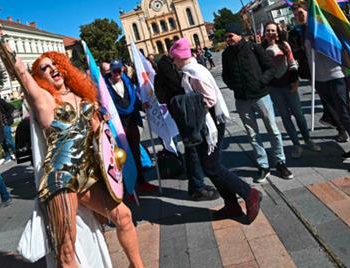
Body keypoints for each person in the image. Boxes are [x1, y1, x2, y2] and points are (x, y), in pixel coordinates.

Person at [0, 16, 158, 268]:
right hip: (60, 180)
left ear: (64, 67)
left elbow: (101, 139)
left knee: (123, 216)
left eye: (55, 64)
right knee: (66, 250)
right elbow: (18, 70)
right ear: (40, 77)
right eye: (44, 68)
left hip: (87, 177)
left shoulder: (84, 97)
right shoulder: (42, 99)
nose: (52, 70)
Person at [170, 38, 262, 223]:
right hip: (206, 122)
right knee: (209, 165)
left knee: (212, 166)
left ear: (180, 57)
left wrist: (189, 107)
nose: (173, 62)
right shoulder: (192, 70)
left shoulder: (194, 73)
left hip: (211, 123)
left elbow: (209, 99)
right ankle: (231, 205)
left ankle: (249, 193)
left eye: (174, 58)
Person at [293, 2, 350, 172]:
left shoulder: (323, 28)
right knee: (338, 115)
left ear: (310, 12)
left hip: (336, 76)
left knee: (346, 115)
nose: (298, 16)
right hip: (321, 79)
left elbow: (339, 47)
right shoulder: (303, 32)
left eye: (301, 13)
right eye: (295, 14)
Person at [221, 22, 292, 183]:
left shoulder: (254, 48)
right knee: (252, 134)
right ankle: (263, 165)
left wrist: (262, 81)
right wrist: (233, 85)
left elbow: (270, 67)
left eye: (230, 36)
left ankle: (280, 162)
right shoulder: (226, 54)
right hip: (241, 99)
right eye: (226, 37)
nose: (228, 39)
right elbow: (226, 75)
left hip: (261, 96)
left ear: (239, 35)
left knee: (272, 129)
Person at [153, 53, 217, 201]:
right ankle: (197, 187)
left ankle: (196, 184)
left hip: (177, 113)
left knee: (190, 148)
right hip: (190, 112)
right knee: (193, 149)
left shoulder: (159, 77)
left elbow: (161, 98)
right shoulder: (179, 74)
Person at [262, 22, 319, 158]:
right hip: (274, 88)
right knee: (285, 117)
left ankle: (307, 140)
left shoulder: (284, 45)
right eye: (268, 30)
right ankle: (296, 145)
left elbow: (292, 62)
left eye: (273, 30)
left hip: (289, 85)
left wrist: (295, 80)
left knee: (298, 114)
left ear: (277, 32)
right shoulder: (261, 49)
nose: (270, 33)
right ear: (264, 33)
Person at [106, 59, 157, 194]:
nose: (116, 73)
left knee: (135, 152)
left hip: (131, 122)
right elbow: (104, 104)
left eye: (119, 70)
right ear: (110, 72)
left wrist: (142, 105)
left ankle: (141, 181)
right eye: (114, 71)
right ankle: (128, 188)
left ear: (122, 69)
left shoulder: (128, 82)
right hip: (118, 124)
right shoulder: (105, 87)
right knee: (121, 156)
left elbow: (134, 100)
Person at [0, 91, 18, 161]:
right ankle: (8, 155)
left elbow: (11, 107)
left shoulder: (2, 103)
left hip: (5, 124)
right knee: (2, 141)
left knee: (9, 140)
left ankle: (16, 152)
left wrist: (7, 116)